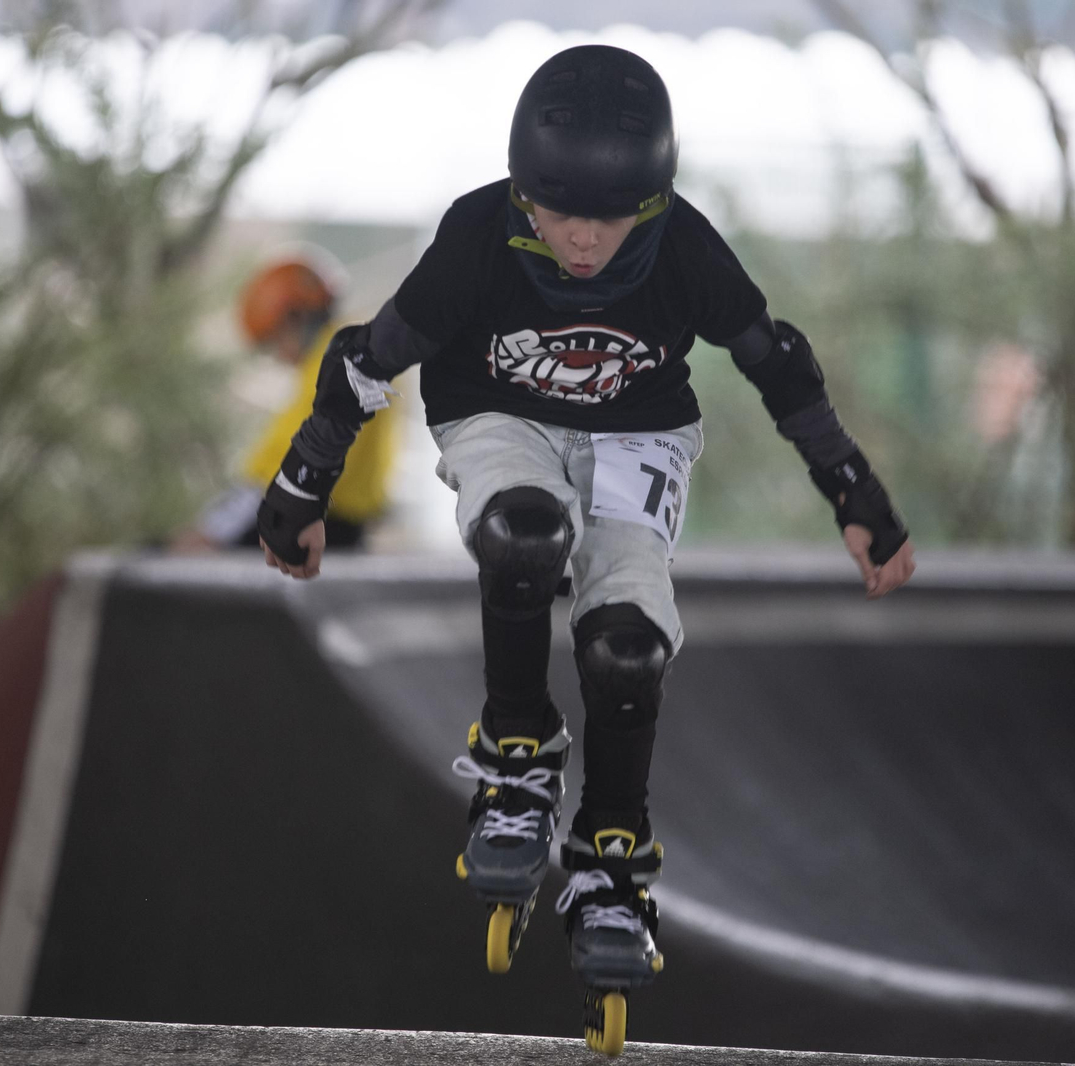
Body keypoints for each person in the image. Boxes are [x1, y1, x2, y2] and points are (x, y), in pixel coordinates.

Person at [255, 45, 915, 1047]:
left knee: (625, 644)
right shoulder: (480, 235)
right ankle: (516, 757)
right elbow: (366, 362)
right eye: (560, 214)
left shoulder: (685, 248)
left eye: (606, 220)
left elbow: (775, 364)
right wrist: (303, 483)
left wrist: (852, 488)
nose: (580, 241)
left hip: (639, 434)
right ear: (524, 193)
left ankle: (611, 855)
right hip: (494, 417)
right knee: (524, 534)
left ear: (648, 206)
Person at [172, 258, 399, 552]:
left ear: (294, 319)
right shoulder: (351, 349)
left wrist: (216, 530)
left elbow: (286, 463)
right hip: (341, 527)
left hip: (313, 522)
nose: (279, 357)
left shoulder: (334, 361)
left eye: (274, 341)